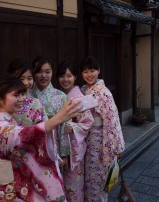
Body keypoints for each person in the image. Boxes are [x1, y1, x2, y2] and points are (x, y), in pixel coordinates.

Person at [0, 74, 81, 201]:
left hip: (11, 180)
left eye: (23, 94)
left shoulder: (1, 117)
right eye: (16, 95)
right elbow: (20, 136)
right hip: (7, 186)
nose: (22, 99)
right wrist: (58, 118)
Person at [79, 56, 125, 202]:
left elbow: (112, 121)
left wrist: (116, 146)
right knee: (86, 179)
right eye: (85, 72)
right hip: (84, 139)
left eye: (92, 70)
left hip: (99, 141)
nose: (89, 74)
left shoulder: (104, 93)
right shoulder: (83, 90)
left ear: (99, 71)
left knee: (96, 181)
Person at [56, 61, 94, 202]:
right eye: (61, 76)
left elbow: (88, 121)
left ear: (75, 77)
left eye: (69, 76)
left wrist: (73, 127)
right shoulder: (57, 96)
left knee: (73, 186)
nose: (65, 80)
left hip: (73, 150)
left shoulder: (78, 97)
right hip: (60, 148)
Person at [30, 56, 71, 169]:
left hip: (54, 147)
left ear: (52, 73)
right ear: (33, 73)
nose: (43, 76)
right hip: (32, 147)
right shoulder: (26, 96)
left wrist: (65, 155)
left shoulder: (61, 97)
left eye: (47, 72)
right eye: (39, 72)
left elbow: (64, 127)